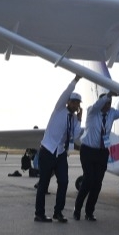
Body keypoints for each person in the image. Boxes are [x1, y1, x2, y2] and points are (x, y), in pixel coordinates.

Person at [73, 90, 119, 222]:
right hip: (88, 151)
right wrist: (108, 95)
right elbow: (98, 105)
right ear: (101, 102)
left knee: (97, 183)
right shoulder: (92, 111)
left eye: (110, 103)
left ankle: (89, 212)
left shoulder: (112, 113)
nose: (108, 105)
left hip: (102, 152)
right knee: (88, 180)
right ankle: (77, 209)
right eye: (106, 102)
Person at [34, 77, 83, 223]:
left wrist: (79, 119)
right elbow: (67, 92)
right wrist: (76, 80)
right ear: (68, 102)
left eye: (78, 103)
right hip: (48, 150)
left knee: (64, 182)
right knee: (43, 183)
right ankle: (39, 213)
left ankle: (58, 212)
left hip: (61, 153)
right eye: (73, 102)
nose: (75, 105)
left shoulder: (74, 119)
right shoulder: (59, 109)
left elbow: (76, 134)